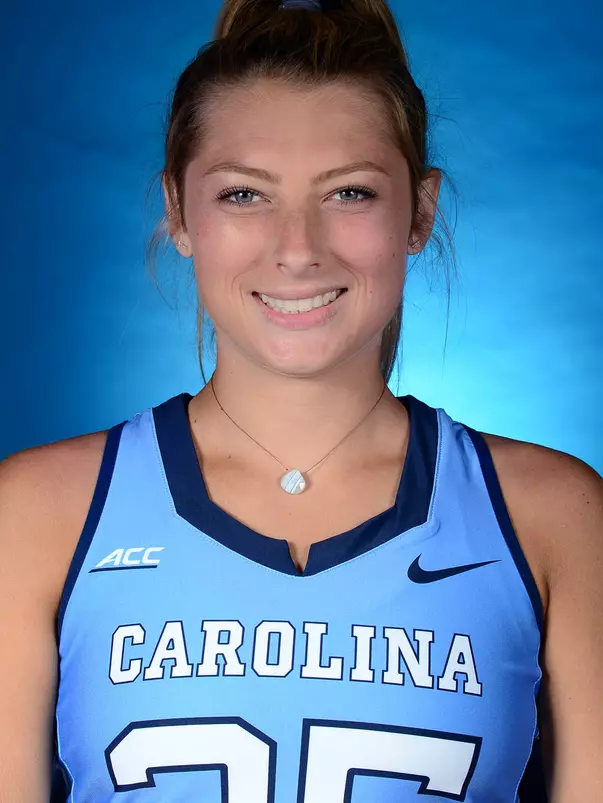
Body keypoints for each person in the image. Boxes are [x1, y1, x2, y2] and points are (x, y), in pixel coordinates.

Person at [1, 0, 601, 800]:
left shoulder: (550, 515)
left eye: (349, 193)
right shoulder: (40, 514)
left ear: (418, 212)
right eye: (244, 195)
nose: (297, 249)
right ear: (178, 212)